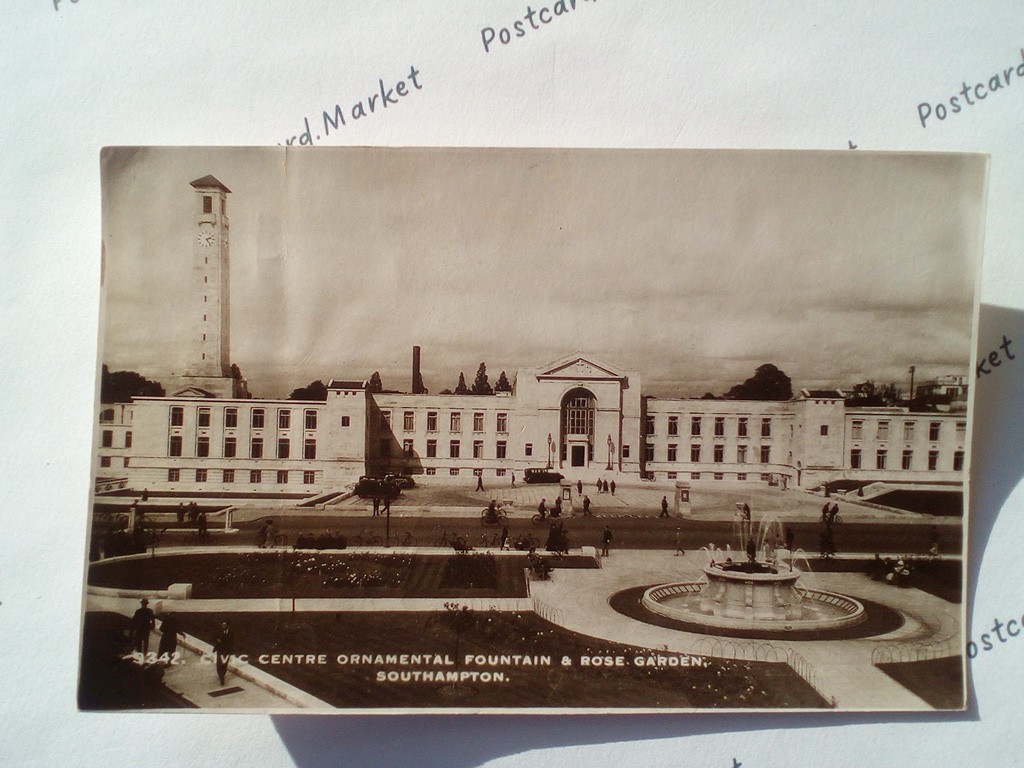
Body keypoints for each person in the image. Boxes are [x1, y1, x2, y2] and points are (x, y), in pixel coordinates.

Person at [212, 621, 234, 686]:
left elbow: (232, 642)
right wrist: (217, 641)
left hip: (227, 651)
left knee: (224, 664)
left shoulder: (231, 633)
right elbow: (213, 638)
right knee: (219, 664)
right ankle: (221, 677)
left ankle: (222, 675)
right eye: (222, 625)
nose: (223, 626)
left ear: (227, 626)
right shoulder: (218, 632)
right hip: (220, 651)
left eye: (224, 625)